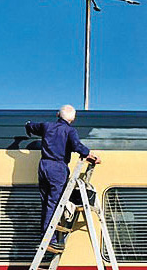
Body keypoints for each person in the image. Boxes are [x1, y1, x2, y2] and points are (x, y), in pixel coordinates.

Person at [25, 105, 101, 251]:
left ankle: (45, 236)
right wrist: (91, 155)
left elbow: (31, 127)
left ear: (57, 114)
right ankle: (49, 239)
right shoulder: (70, 131)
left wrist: (27, 126)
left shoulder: (47, 126)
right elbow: (77, 146)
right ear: (73, 119)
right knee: (53, 203)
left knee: (46, 202)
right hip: (58, 168)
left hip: (44, 165)